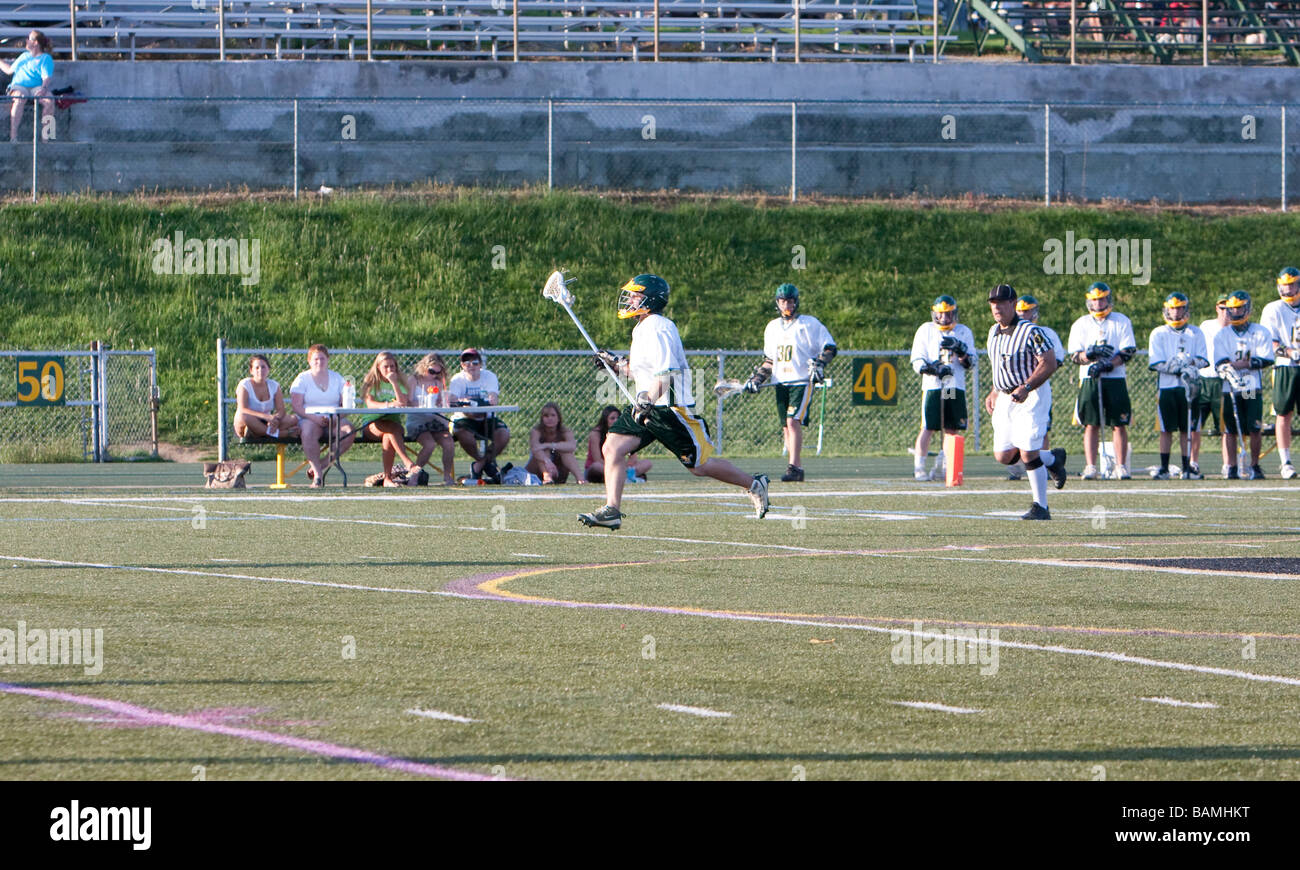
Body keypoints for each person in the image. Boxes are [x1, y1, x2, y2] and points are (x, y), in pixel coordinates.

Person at [580, 274, 769, 530]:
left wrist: (647, 399)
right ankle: (612, 509)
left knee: (699, 467)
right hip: (647, 406)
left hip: (670, 409)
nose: (631, 300)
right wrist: (615, 364)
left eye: (636, 295)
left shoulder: (659, 326)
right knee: (612, 447)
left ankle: (754, 484)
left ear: (651, 299)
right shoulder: (641, 327)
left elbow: (667, 372)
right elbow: (642, 373)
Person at [983, 284, 1067, 520]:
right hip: (1005, 397)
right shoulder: (993, 332)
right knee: (1004, 455)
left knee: (1029, 452)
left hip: (1032, 395)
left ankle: (1041, 506)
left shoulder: (1031, 331)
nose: (997, 307)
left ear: (1013, 304)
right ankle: (1053, 459)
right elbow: (1000, 366)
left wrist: (1028, 386)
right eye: (993, 303)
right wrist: (993, 391)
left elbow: (1049, 362)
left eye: (1002, 302)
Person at [743, 283, 836, 482]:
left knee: (792, 421)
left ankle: (794, 466)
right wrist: (758, 378)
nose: (787, 305)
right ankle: (797, 468)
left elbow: (829, 347)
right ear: (777, 303)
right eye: (783, 301)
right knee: (786, 426)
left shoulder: (809, 324)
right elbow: (769, 361)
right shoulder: (772, 327)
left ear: (796, 302)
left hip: (801, 381)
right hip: (780, 382)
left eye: (791, 301)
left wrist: (819, 364)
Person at [1067, 281, 1137, 480]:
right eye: (1094, 299)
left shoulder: (1121, 321)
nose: (1098, 303)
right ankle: (1091, 466)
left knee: (1119, 423)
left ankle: (1121, 465)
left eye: (1102, 299)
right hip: (1089, 378)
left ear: (1108, 298)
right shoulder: (1081, 324)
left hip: (1115, 378)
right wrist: (1090, 355)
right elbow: (1074, 355)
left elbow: (1127, 351)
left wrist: (1108, 364)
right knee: (1091, 423)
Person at [907, 295, 975, 481]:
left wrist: (961, 352)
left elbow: (971, 362)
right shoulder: (925, 330)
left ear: (954, 313)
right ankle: (919, 467)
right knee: (928, 426)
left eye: (948, 314)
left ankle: (945, 464)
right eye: (941, 314)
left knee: (952, 428)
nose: (944, 318)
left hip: (953, 386)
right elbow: (917, 359)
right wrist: (933, 368)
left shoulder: (963, 332)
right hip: (933, 386)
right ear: (934, 314)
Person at [1146, 292, 1209, 480]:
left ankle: (1186, 467)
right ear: (1166, 309)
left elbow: (1203, 359)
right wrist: (1172, 367)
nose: (1176, 312)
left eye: (1180, 307)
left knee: (1187, 428)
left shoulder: (1195, 332)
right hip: (1167, 387)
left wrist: (1189, 365)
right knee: (1166, 429)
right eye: (1173, 308)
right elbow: (1155, 362)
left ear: (1186, 309)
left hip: (1189, 387)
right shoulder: (1158, 333)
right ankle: (1164, 468)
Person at [1213, 291, 1273, 480]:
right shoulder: (1222, 334)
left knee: (1254, 427)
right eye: (1233, 308)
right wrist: (1240, 365)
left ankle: (1254, 465)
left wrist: (1238, 365)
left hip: (1250, 386)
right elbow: (1220, 363)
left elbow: (1265, 359)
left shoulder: (1260, 331)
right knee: (1230, 428)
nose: (1236, 312)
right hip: (1230, 387)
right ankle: (1231, 466)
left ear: (1247, 308)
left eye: (1240, 307)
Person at [1004, 295, 1065, 480]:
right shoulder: (1008, 331)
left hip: (1036, 389)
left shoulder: (1042, 332)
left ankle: (1043, 466)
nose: (1023, 314)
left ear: (1034, 311)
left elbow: (1056, 360)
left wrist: (1032, 378)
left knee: (1040, 431)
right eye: (1020, 310)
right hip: (1012, 391)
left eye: (1027, 310)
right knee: (1012, 433)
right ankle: (1042, 462)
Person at [289, 344, 356, 487]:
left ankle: (319, 466)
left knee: (348, 431)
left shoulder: (337, 378)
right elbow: (297, 406)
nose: (319, 362)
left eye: (322, 358)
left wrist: (333, 418)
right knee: (307, 432)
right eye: (316, 359)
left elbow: (347, 405)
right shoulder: (302, 379)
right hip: (309, 418)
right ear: (309, 361)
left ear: (328, 359)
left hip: (333, 418)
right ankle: (318, 477)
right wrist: (315, 418)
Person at [355, 351, 421, 487]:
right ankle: (407, 462)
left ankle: (387, 479)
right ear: (378, 368)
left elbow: (403, 402)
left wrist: (394, 382)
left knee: (389, 435)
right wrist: (388, 404)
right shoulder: (372, 382)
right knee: (391, 429)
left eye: (392, 366)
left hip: (393, 426)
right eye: (386, 366)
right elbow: (370, 403)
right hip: (372, 425)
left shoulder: (399, 381)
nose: (390, 369)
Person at [447, 348, 510, 482]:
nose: (471, 366)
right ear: (462, 366)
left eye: (475, 362)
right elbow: (452, 400)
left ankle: (479, 465)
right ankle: (482, 461)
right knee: (462, 431)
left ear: (480, 364)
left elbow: (493, 399)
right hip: (465, 418)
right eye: (467, 363)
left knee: (503, 434)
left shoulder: (489, 376)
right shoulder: (457, 379)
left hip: (485, 417)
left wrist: (486, 403)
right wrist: (467, 408)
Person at [1260, 267, 1300, 479]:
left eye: (1292, 284)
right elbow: (1270, 341)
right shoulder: (1273, 309)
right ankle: (1286, 462)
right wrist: (1290, 352)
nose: (1288, 289)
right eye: (1285, 285)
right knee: (1283, 414)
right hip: (1285, 366)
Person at [1192, 292, 1232, 478]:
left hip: (1222, 382)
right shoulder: (1206, 326)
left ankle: (1227, 464)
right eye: (1222, 308)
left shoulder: (1234, 329)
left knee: (1225, 426)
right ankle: (1193, 462)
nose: (1226, 312)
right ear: (1217, 308)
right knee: (1195, 424)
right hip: (1203, 379)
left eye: (1229, 308)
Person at [405, 352, 456, 485]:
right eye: (431, 371)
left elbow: (441, 403)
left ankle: (447, 476)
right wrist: (421, 404)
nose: (434, 375)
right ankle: (414, 474)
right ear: (424, 367)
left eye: (437, 373)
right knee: (429, 444)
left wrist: (443, 402)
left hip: (435, 420)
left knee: (449, 443)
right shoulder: (413, 380)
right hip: (417, 421)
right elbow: (408, 402)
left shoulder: (437, 383)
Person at [1, 31, 54, 143]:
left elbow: (46, 77)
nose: (26, 41)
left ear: (35, 43)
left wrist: (44, 89)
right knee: (20, 97)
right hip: (19, 86)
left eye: (29, 39)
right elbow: (9, 70)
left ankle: (47, 137)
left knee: (50, 100)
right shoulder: (24, 56)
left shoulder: (45, 58)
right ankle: (13, 137)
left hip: (36, 87)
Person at [233, 354, 299, 440]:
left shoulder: (274, 385)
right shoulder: (244, 384)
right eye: (257, 368)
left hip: (267, 422)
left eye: (263, 367)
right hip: (249, 420)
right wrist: (265, 416)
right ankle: (283, 434)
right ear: (251, 370)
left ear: (268, 369)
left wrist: (275, 420)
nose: (260, 370)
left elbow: (281, 410)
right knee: (243, 416)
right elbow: (243, 409)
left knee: (294, 419)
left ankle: (257, 433)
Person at [584, 405, 652, 484]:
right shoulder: (596, 434)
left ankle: (622, 477)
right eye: (612, 418)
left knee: (647, 463)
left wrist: (623, 468)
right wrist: (615, 467)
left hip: (621, 468)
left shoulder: (625, 433)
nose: (616, 421)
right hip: (601, 468)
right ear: (605, 420)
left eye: (618, 418)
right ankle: (625, 477)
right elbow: (597, 459)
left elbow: (633, 459)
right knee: (596, 466)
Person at [525, 402, 586, 484]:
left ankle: (580, 479)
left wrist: (549, 445)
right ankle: (547, 477)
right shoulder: (536, 431)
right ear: (542, 419)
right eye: (546, 416)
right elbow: (535, 448)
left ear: (559, 418)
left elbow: (572, 446)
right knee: (544, 452)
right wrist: (547, 461)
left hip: (559, 470)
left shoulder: (565, 431)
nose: (550, 418)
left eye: (553, 415)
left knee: (567, 453)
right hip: (538, 472)